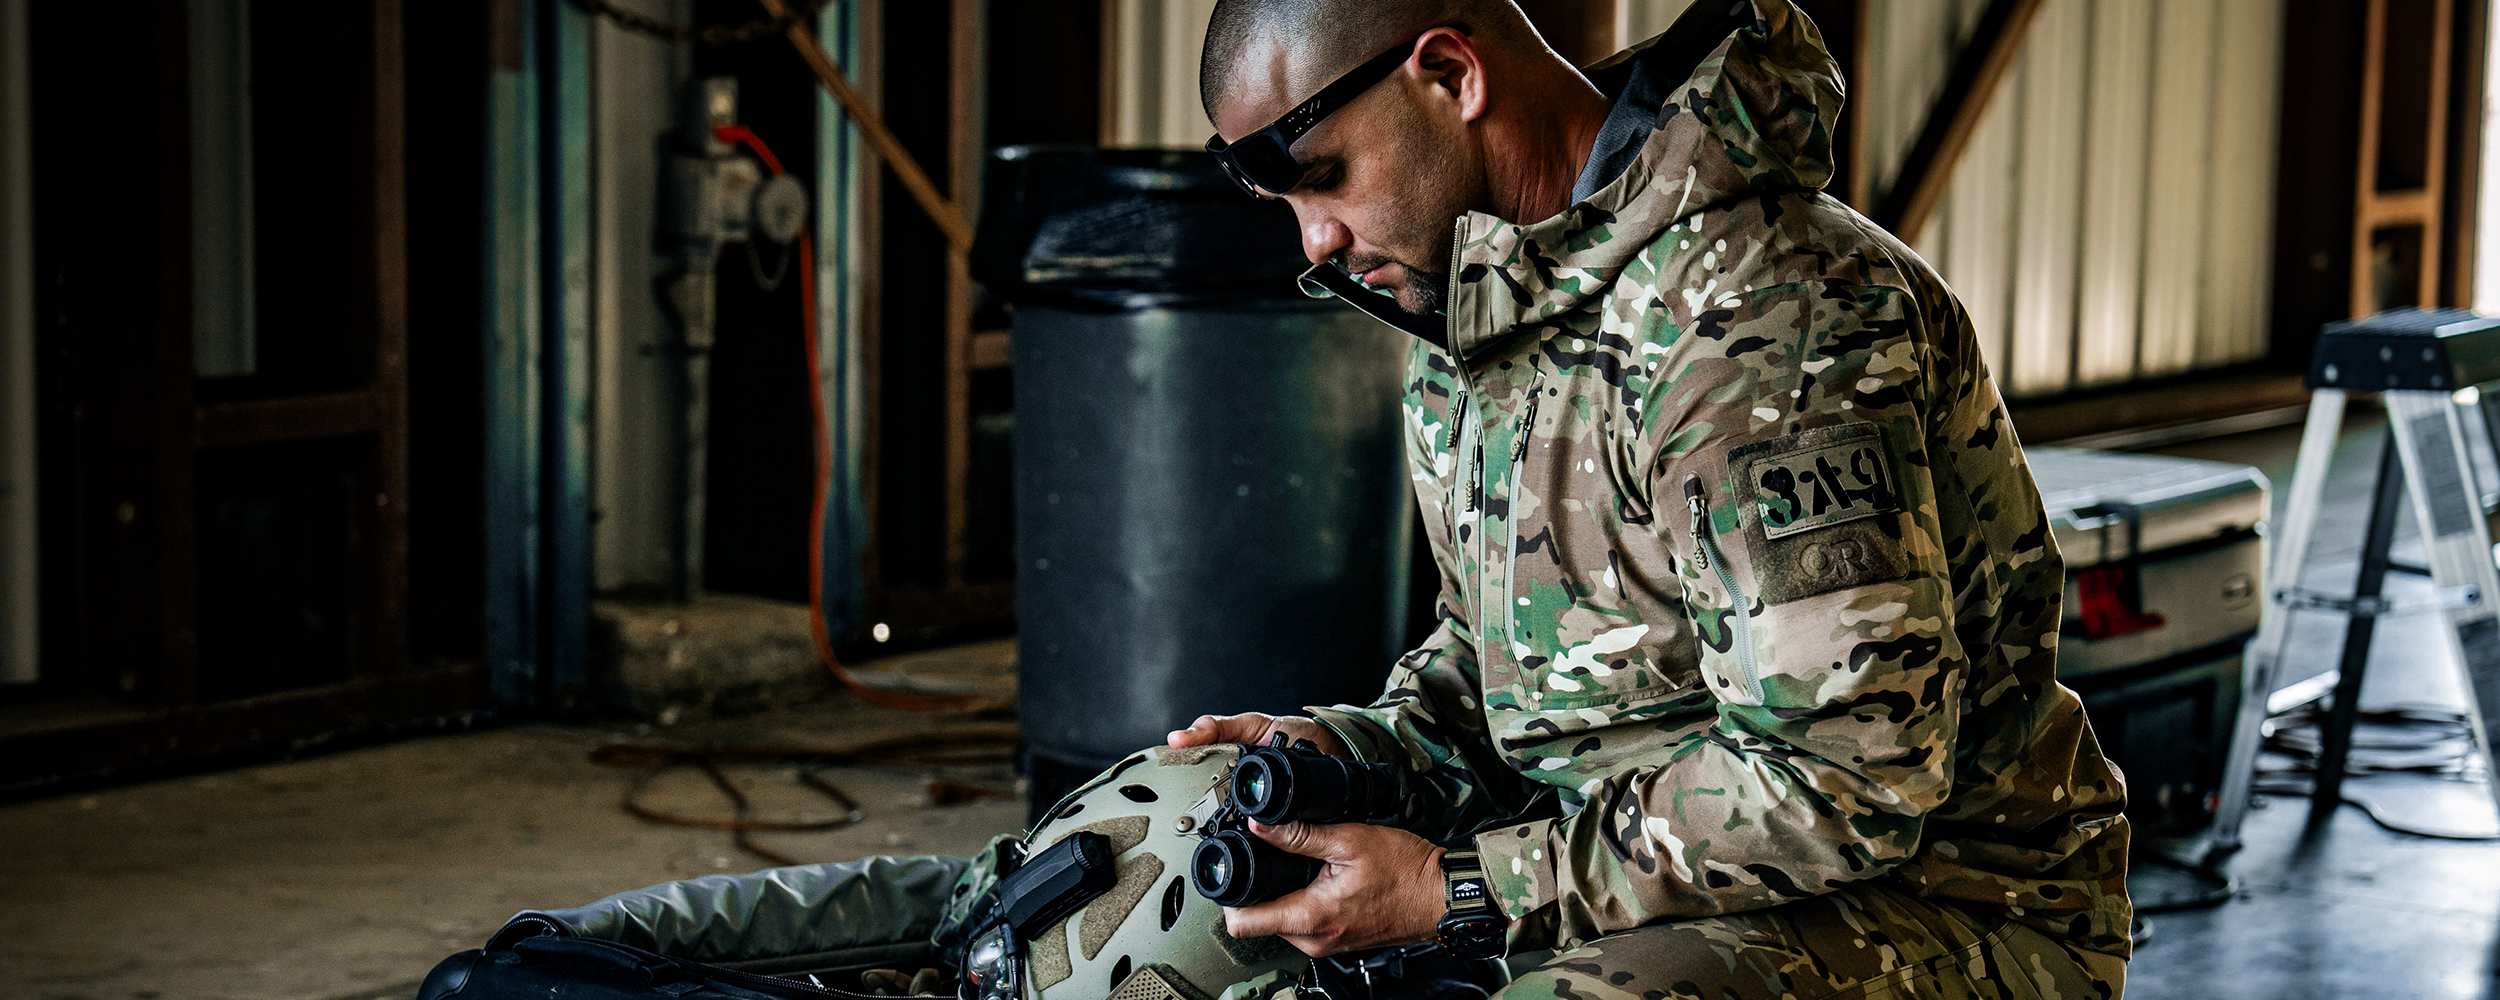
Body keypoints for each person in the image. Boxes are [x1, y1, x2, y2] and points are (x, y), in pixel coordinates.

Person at [1167, 1, 2134, 997]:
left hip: (1946, 906)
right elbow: (1492, 670)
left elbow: (1844, 778)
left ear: (1452, 74)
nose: (1314, 239)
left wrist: (1458, 886)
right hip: (1635, 886)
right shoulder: (1471, 329)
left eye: (1323, 177)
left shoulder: (1756, 314)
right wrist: (1357, 750)